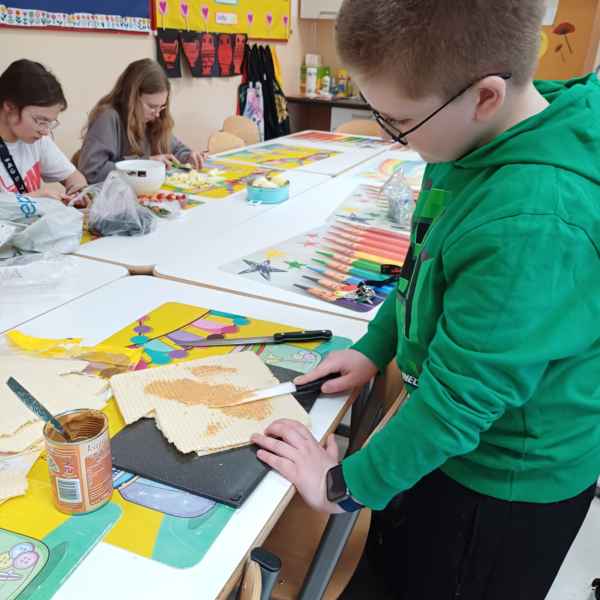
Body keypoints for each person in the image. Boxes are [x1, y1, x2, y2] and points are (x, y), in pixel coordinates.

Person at [251, 1, 600, 598]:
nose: (396, 137)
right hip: (444, 446)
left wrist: (341, 486)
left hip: (500, 487)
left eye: (399, 121)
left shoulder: (531, 220)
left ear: (485, 96)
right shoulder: (470, 141)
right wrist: (376, 347)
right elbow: (423, 268)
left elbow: (460, 402)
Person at [79, 59, 204, 184]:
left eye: (161, 106)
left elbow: (176, 149)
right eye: (151, 106)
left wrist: (188, 156)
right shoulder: (108, 117)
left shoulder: (154, 119)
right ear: (131, 98)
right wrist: (144, 165)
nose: (157, 114)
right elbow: (92, 171)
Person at [0, 59, 86, 203]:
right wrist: (33, 199)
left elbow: (74, 177)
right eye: (40, 121)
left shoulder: (36, 138)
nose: (45, 131)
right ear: (9, 106)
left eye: (50, 123)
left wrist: (78, 192)